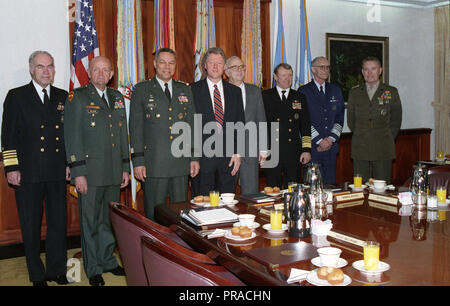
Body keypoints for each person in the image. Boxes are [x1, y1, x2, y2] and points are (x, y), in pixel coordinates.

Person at [1, 51, 70, 286]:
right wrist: (11, 168)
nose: (46, 71)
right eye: (41, 67)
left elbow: (67, 136)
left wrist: (69, 164)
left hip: (56, 171)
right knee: (30, 224)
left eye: (50, 66)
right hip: (27, 173)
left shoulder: (62, 96)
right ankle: (36, 274)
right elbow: (7, 137)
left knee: (58, 223)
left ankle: (57, 269)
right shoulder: (16, 96)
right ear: (31, 69)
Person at [64, 56, 130, 286]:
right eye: (96, 69)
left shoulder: (117, 98)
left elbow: (122, 134)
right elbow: (72, 137)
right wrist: (78, 172)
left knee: (108, 219)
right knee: (90, 221)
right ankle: (93, 267)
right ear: (89, 73)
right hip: (89, 173)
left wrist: (125, 167)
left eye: (105, 70)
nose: (101, 74)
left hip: (113, 172)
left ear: (112, 74)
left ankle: (107, 260)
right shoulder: (78, 97)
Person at [129, 48, 199, 220]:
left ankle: (178, 247)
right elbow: (136, 128)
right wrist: (138, 161)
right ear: (155, 64)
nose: (167, 67)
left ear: (175, 65)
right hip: (154, 164)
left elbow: (192, 125)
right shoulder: (142, 90)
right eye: (162, 62)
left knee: (181, 214)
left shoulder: (184, 89)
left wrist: (194, 157)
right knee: (154, 213)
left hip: (180, 163)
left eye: (171, 63)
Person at [190, 47, 246, 196]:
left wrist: (238, 153)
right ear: (205, 65)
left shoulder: (235, 92)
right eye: (211, 63)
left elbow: (240, 124)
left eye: (219, 63)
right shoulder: (192, 90)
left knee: (228, 207)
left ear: (224, 67)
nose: (215, 66)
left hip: (228, 162)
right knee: (202, 209)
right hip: (202, 162)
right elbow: (190, 126)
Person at [347, 56, 402, 184]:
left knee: (382, 189)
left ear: (380, 70)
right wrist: (363, 134)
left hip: (383, 147)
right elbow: (351, 121)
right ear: (362, 72)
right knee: (360, 188)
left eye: (373, 69)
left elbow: (396, 120)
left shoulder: (391, 92)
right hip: (360, 147)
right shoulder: (354, 93)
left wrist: (386, 137)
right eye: (366, 69)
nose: (369, 73)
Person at [262, 63, 311, 188]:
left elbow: (305, 126)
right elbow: (260, 125)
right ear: (275, 77)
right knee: (273, 190)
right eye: (283, 75)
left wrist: (306, 150)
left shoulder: (299, 97)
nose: (287, 78)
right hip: (271, 152)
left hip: (293, 152)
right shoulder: (265, 96)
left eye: (290, 75)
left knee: (294, 190)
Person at [298, 56, 345, 185]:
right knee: (312, 187)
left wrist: (329, 140)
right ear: (313, 69)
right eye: (322, 67)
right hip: (312, 149)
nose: (326, 70)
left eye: (328, 67)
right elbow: (303, 121)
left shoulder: (336, 90)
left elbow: (339, 119)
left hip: (331, 148)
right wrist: (319, 141)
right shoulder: (303, 91)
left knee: (329, 187)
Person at [224, 56, 267, 195]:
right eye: (234, 67)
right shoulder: (221, 90)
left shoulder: (254, 91)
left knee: (252, 193)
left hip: (251, 150)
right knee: (227, 194)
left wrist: (263, 149)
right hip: (227, 150)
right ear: (226, 72)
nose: (239, 70)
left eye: (242, 67)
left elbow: (261, 119)